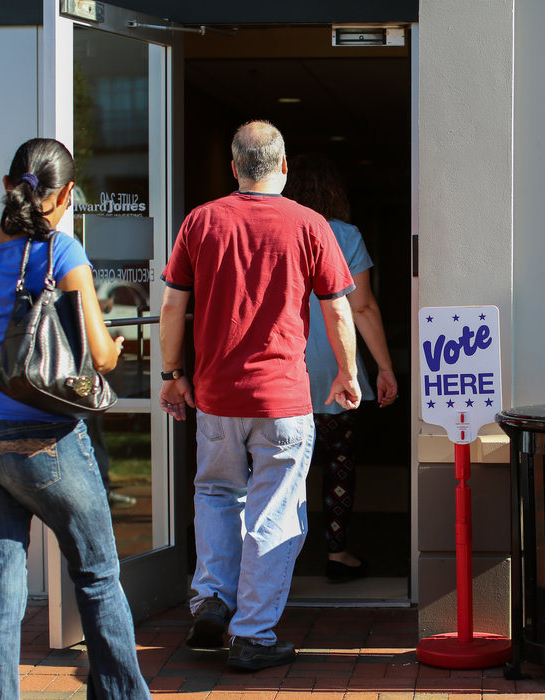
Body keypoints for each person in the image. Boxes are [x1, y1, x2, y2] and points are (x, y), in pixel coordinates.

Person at [0, 138, 150, 698]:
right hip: (47, 443)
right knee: (97, 575)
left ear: (8, 186)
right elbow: (100, 357)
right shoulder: (62, 251)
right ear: (66, 194)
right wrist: (117, 347)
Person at [159, 120, 361, 671]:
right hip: (284, 399)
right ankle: (252, 634)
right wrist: (347, 373)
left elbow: (173, 305)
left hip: (217, 398)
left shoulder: (201, 221)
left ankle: (212, 599)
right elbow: (339, 309)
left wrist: (172, 374)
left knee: (216, 494)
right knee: (276, 510)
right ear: (284, 166)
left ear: (234, 168)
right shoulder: (310, 224)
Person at [282, 152, 398, 582]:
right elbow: (362, 307)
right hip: (337, 369)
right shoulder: (345, 235)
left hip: (283, 370)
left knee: (281, 470)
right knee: (339, 463)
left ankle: (277, 562)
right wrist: (384, 367)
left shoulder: (275, 228)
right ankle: (337, 553)